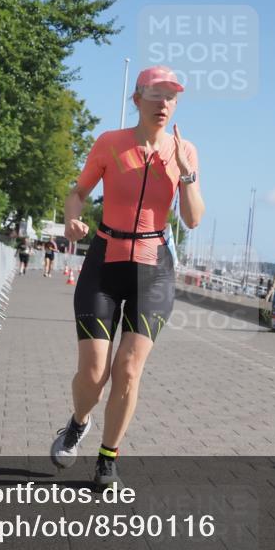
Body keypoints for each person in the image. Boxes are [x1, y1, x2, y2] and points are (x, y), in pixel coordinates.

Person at [51, 65, 205, 489]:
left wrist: (186, 173)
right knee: (94, 373)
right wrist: (71, 221)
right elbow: (77, 193)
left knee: (129, 369)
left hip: (154, 270)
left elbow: (193, 219)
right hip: (105, 262)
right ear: (137, 100)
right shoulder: (110, 143)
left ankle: (108, 458)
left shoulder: (185, 151)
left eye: (171, 97)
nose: (163, 104)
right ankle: (78, 421)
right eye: (155, 95)